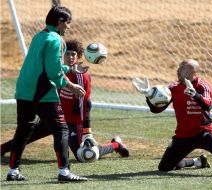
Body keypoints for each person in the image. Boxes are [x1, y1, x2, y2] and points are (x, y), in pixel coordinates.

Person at [1, 40, 129, 160]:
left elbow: (85, 104)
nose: (70, 57)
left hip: (73, 122)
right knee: (26, 135)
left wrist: (87, 133)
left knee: (85, 155)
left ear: (78, 56)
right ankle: (2, 148)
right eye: (67, 54)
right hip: (54, 117)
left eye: (73, 54)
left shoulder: (81, 75)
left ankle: (115, 145)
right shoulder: (57, 70)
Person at [6, 6, 88, 182]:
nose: (68, 27)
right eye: (67, 23)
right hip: (42, 93)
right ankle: (64, 172)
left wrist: (71, 68)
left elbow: (45, 65)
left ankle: (13, 171)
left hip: (23, 90)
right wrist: (71, 85)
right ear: (59, 22)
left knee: (23, 131)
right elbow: (53, 72)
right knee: (61, 129)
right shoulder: (56, 39)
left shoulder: (39, 36)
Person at [132, 59, 212, 179]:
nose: (178, 70)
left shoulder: (202, 85)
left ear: (192, 71)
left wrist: (195, 95)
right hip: (183, 136)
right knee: (164, 167)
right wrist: (149, 97)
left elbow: (208, 105)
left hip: (204, 132)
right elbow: (156, 110)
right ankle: (197, 161)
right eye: (179, 67)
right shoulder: (173, 88)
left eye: (182, 67)